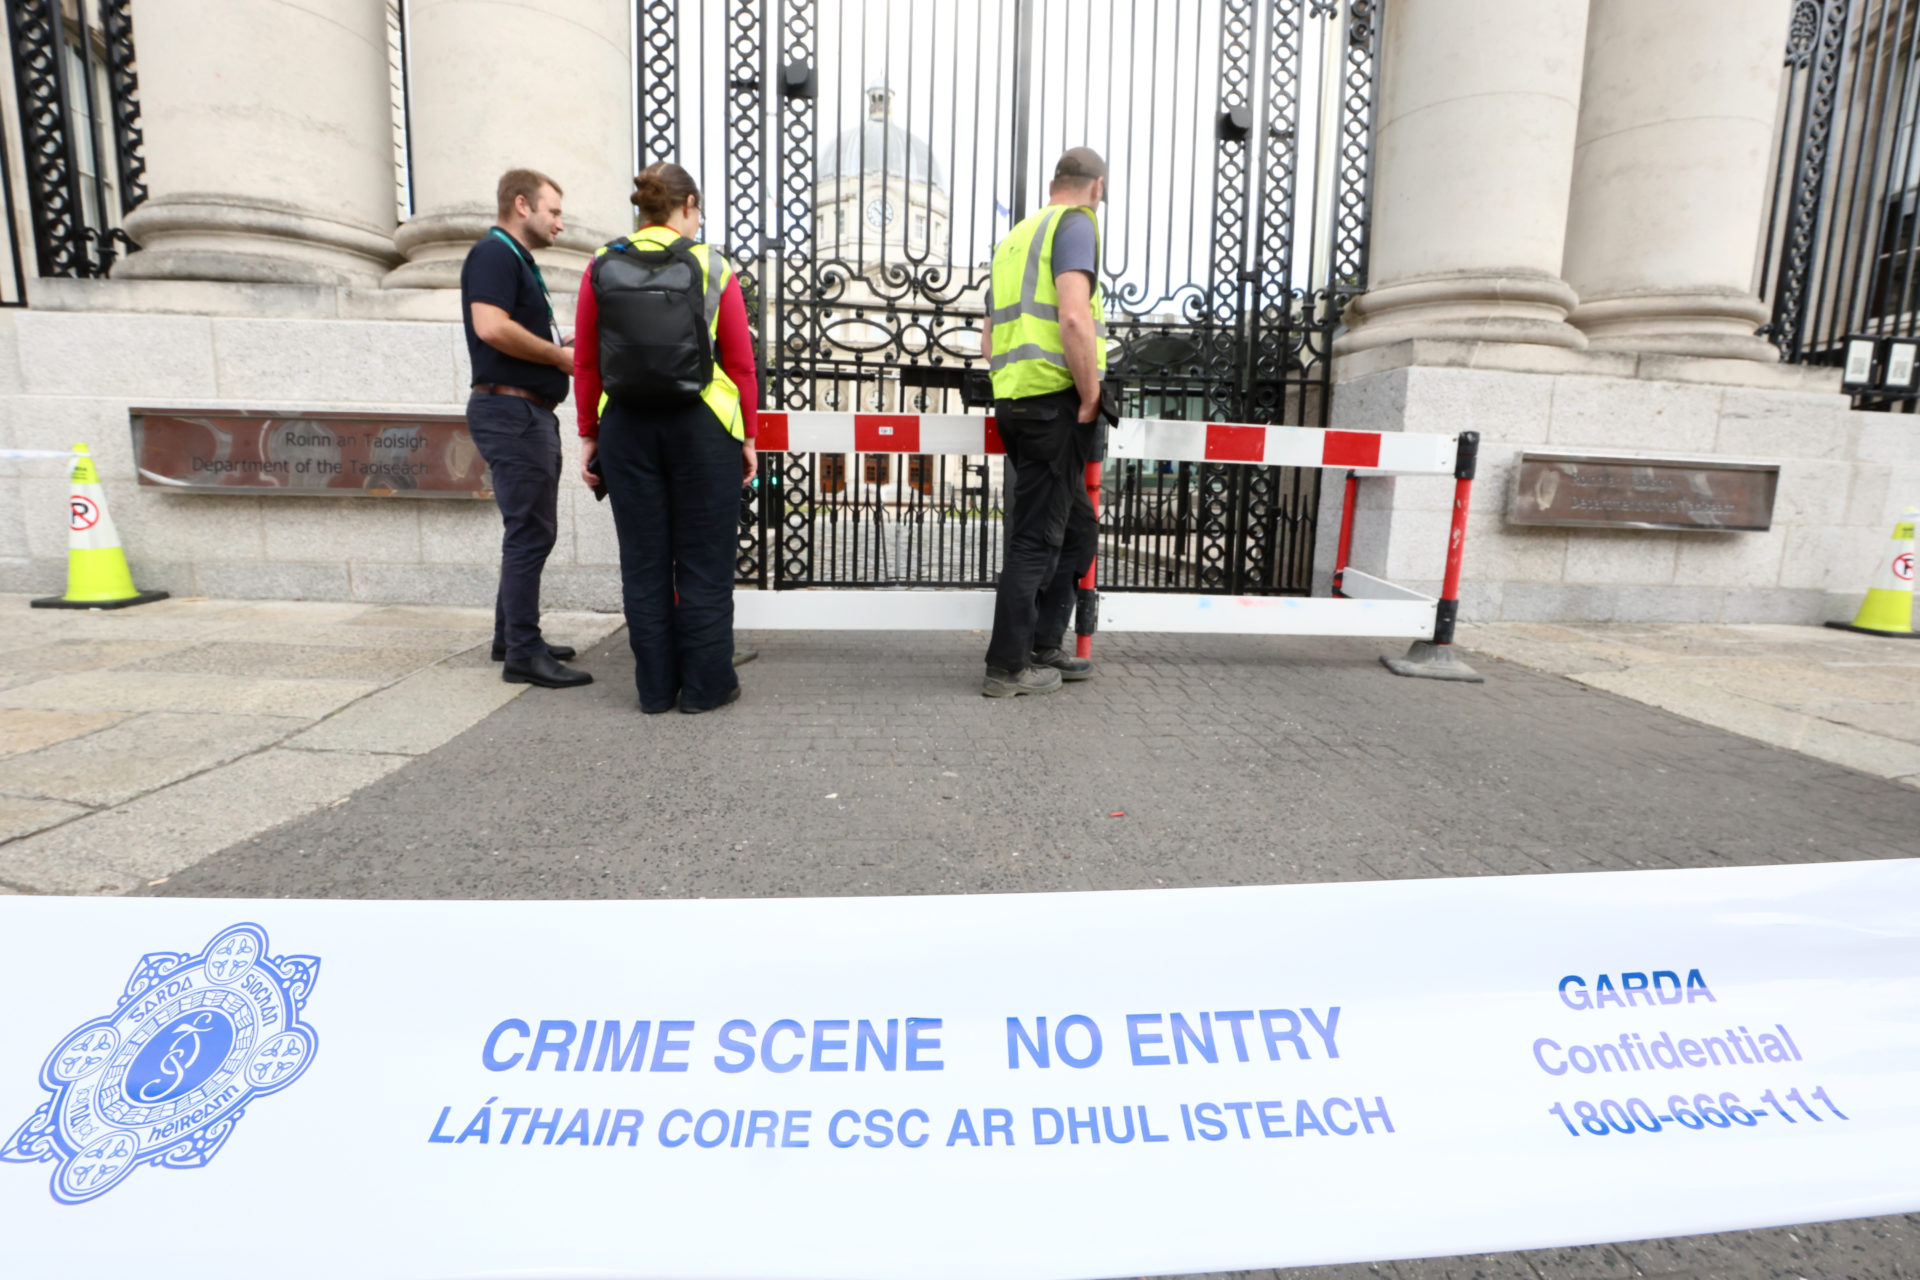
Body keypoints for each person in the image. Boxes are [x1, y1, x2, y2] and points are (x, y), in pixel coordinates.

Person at [574, 163, 759, 714]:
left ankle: (654, 690)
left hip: (627, 426)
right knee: (704, 562)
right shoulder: (710, 266)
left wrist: (589, 434)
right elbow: (742, 365)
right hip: (703, 425)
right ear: (689, 204)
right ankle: (705, 688)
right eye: (697, 210)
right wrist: (746, 436)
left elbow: (585, 361)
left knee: (645, 562)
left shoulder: (600, 265)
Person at [977, 147, 1109, 697]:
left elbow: (988, 342)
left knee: (1077, 530)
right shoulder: (1076, 225)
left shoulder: (1013, 242)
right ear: (1096, 187)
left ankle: (1041, 643)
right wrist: (1089, 394)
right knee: (1035, 541)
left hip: (1017, 402)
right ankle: (1006, 668)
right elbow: (1075, 316)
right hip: (1055, 404)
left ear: (1055, 181)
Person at [461, 168, 590, 689]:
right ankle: (523, 651)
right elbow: (490, 326)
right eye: (553, 211)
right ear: (522, 204)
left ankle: (510, 638)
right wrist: (560, 359)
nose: (560, 223)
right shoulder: (494, 254)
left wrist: (566, 344)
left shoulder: (512, 259)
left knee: (526, 529)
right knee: (531, 532)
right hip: (512, 411)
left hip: (522, 411)